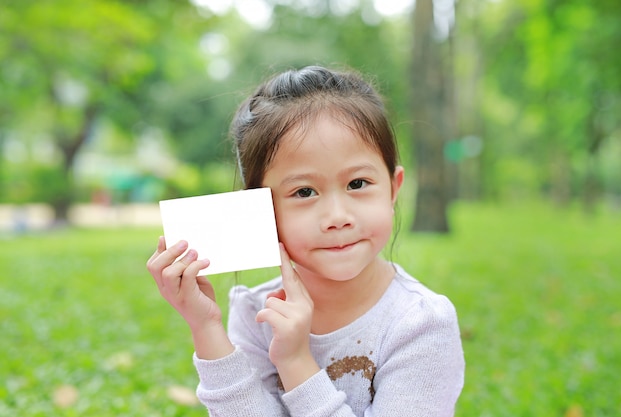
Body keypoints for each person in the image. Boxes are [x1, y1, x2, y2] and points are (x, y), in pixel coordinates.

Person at [146, 65, 464, 416]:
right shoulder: (256, 313)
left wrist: (296, 362)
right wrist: (205, 327)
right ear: (261, 209)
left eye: (357, 183)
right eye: (304, 191)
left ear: (393, 188)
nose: (337, 217)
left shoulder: (421, 323)